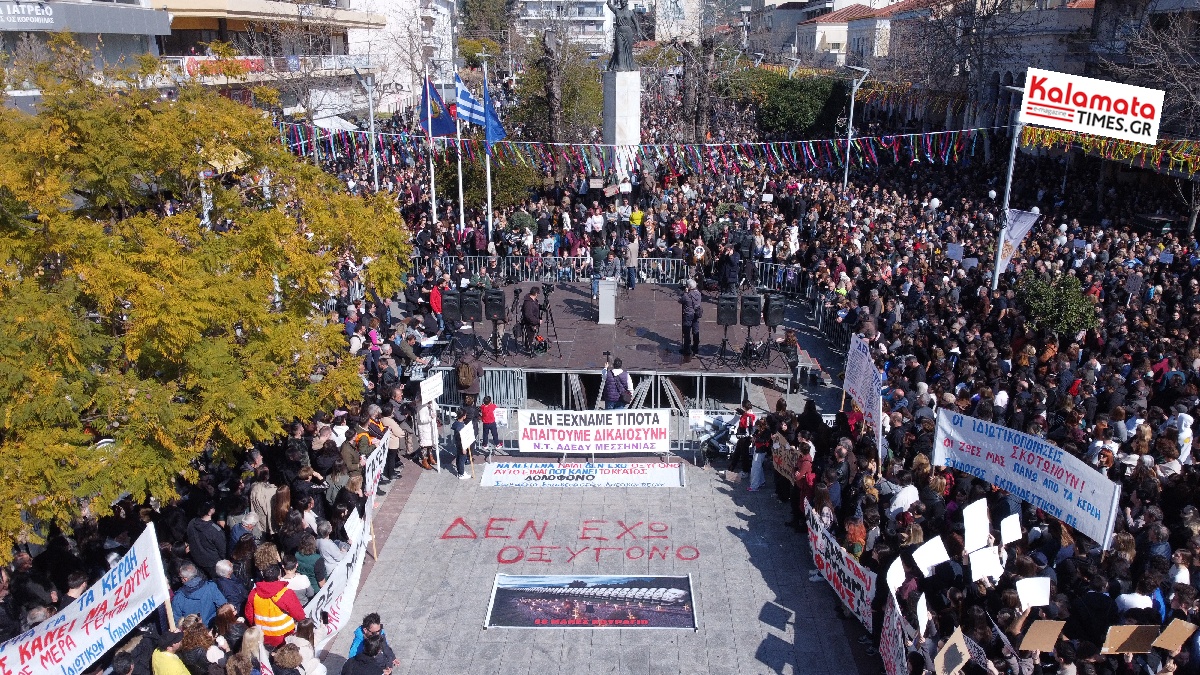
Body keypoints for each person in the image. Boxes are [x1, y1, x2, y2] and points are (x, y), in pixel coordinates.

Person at [244, 546, 306, 648]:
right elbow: (299, 615)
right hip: (285, 637)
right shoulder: (286, 593)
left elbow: (249, 615)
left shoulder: (254, 594)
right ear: (279, 576)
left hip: (263, 636)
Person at [173, 562, 229, 627]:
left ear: (185, 579)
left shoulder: (178, 598)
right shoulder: (211, 587)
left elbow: (177, 622)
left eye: (180, 577)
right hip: (212, 627)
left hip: (192, 631)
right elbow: (224, 607)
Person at [187, 502, 227, 579]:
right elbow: (222, 549)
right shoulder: (215, 530)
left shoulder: (192, 523)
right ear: (210, 511)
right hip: (212, 562)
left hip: (196, 559)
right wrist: (222, 560)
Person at [679, 279, 702, 356]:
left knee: (687, 331)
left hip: (688, 314)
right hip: (696, 313)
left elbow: (680, 300)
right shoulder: (699, 294)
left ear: (688, 287)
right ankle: (695, 346)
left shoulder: (687, 295)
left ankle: (687, 349)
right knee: (695, 330)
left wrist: (685, 292)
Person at [520, 286, 542, 357]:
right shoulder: (528, 303)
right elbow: (528, 316)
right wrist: (537, 321)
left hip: (532, 322)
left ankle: (529, 347)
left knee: (531, 336)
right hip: (529, 323)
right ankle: (529, 350)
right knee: (529, 337)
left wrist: (541, 307)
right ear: (536, 293)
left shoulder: (533, 300)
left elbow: (536, 306)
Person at [451, 408, 472, 480]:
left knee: (459, 458)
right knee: (462, 459)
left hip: (458, 444)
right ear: (463, 416)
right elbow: (461, 439)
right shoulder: (460, 427)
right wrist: (463, 448)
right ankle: (461, 474)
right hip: (462, 445)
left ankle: (460, 471)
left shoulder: (457, 423)